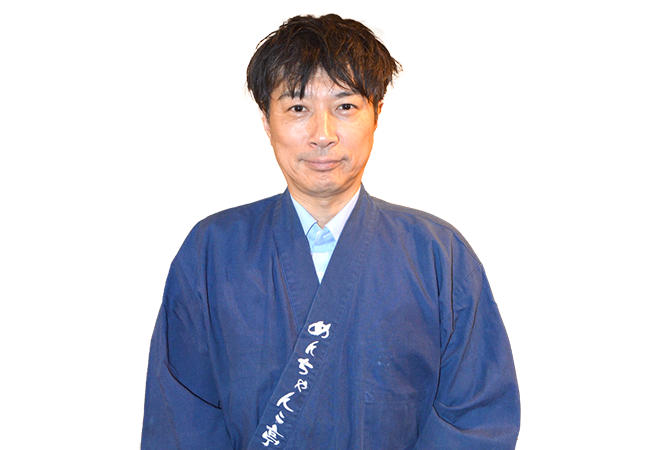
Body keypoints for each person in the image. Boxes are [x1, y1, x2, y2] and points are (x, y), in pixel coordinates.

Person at [141, 13, 520, 449]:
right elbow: (180, 420)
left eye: (345, 107)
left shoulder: (438, 254)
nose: (322, 135)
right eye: (297, 108)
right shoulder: (212, 251)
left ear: (376, 114)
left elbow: (478, 417)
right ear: (266, 120)